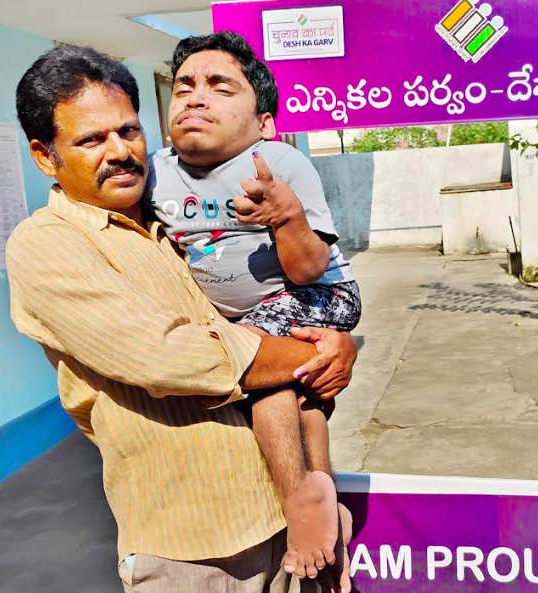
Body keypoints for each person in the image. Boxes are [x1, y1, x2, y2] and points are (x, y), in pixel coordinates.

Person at [7, 44, 356, 592]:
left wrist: (337, 340)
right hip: (193, 550)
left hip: (288, 524)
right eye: (91, 140)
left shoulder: (166, 213)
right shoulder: (46, 245)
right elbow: (168, 356)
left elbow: (297, 276)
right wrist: (318, 352)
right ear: (46, 156)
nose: (120, 152)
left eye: (128, 131)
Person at [147, 31, 359, 585]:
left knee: (261, 369)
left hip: (318, 292)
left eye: (221, 88)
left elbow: (312, 267)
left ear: (263, 120)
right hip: (249, 311)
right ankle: (323, 493)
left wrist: (286, 217)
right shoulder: (155, 173)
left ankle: (300, 504)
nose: (196, 98)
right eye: (185, 86)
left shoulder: (280, 161)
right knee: (302, 389)